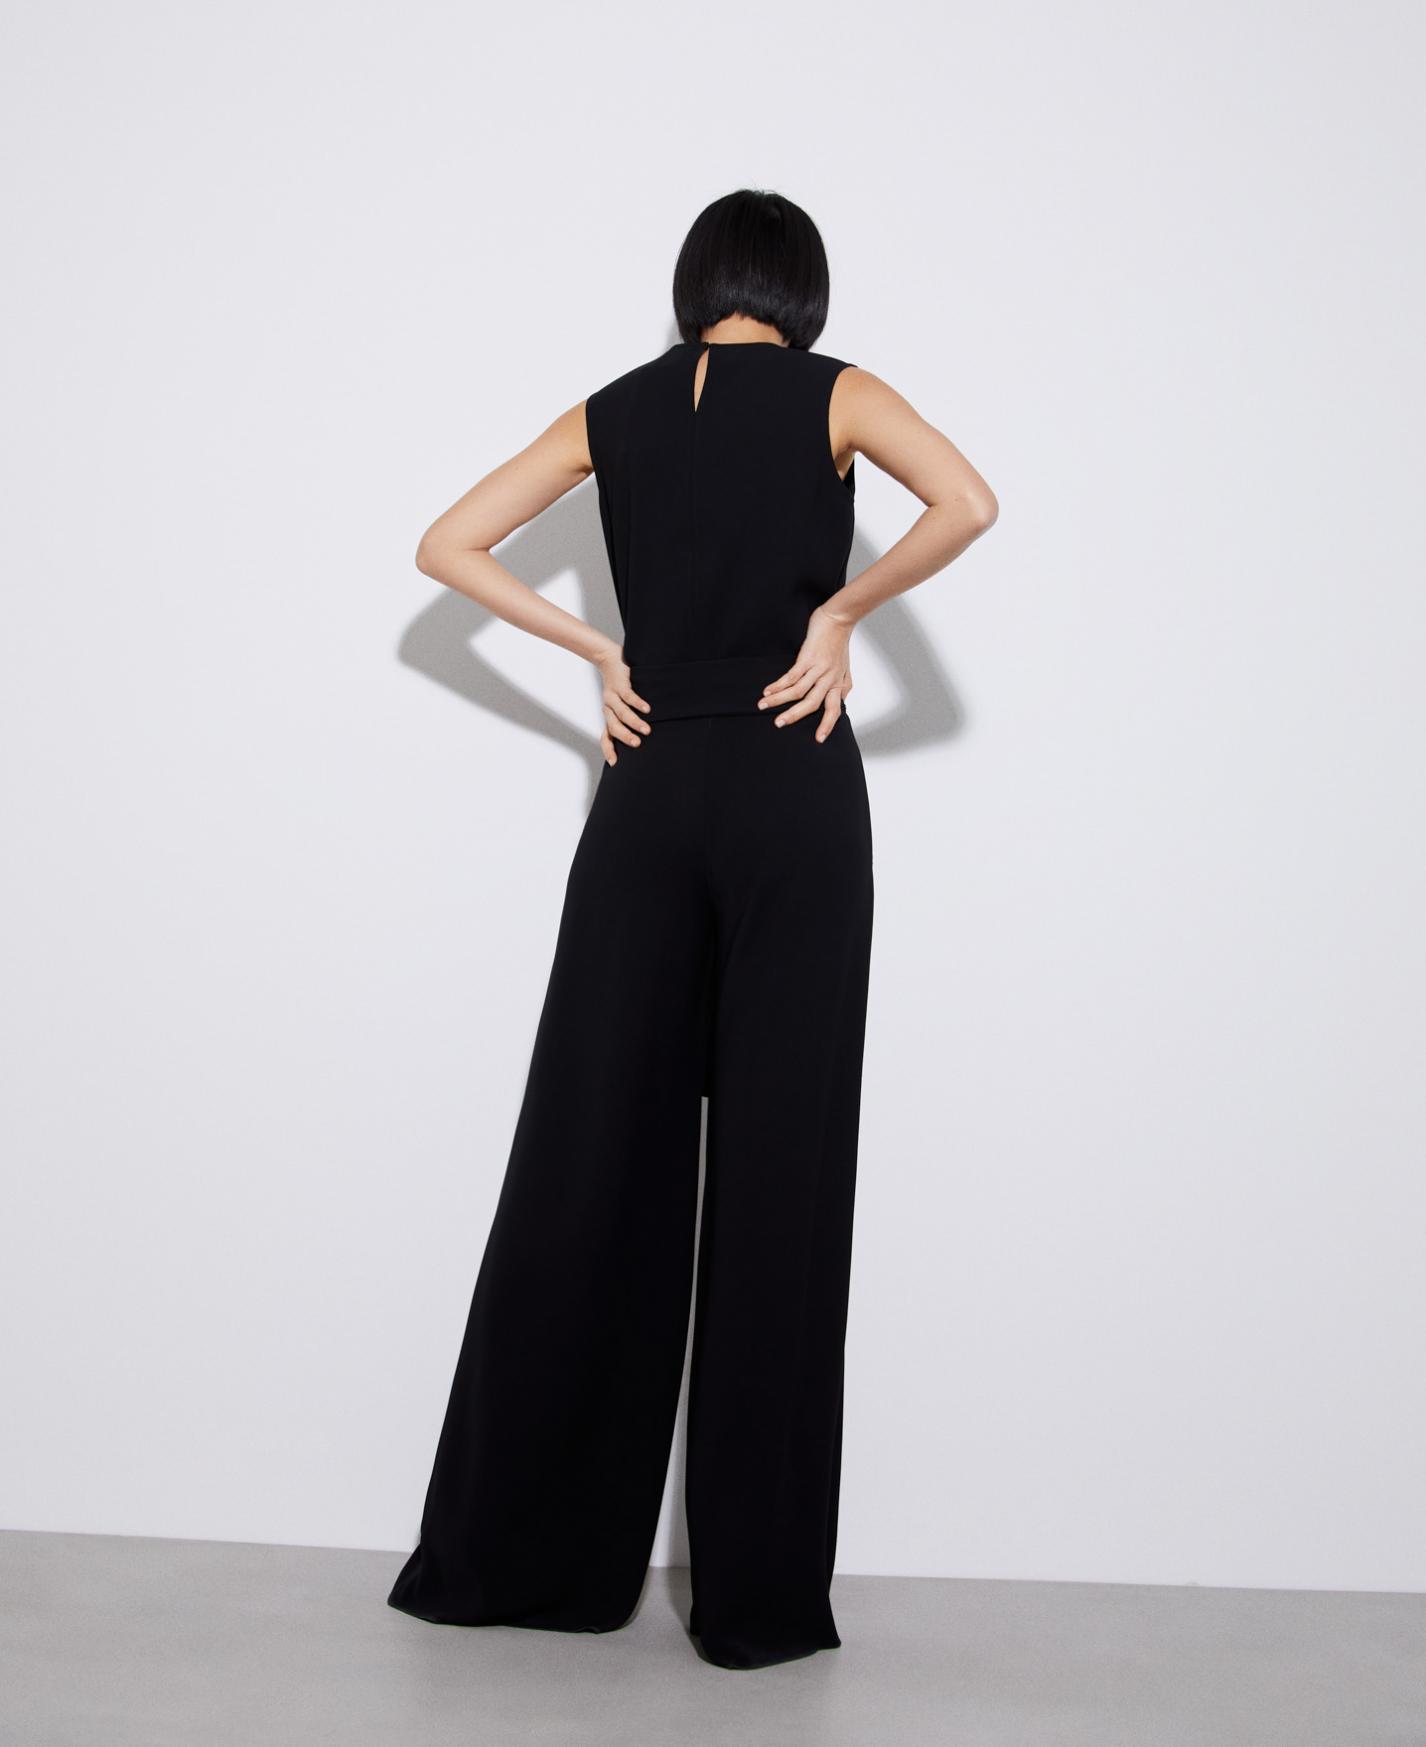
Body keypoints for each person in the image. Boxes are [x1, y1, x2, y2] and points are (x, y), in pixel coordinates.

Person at [387, 187, 999, 1670]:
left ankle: (528, 1559)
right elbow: (971, 504)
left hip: (650, 783)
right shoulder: (840, 393)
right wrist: (840, 617)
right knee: (783, 1180)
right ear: (799, 289)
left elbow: (446, 544)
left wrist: (598, 650)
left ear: (691, 287)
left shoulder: (617, 409)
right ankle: (756, 1604)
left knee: (592, 1154)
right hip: (792, 783)